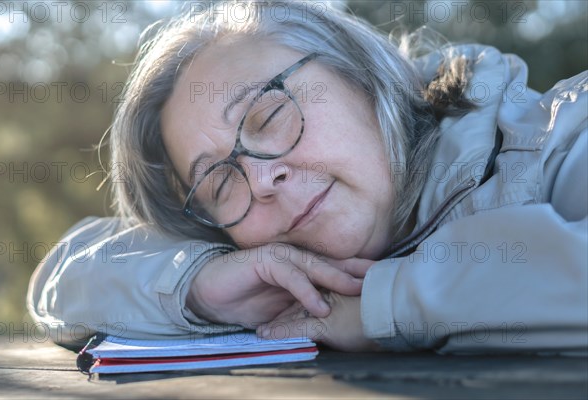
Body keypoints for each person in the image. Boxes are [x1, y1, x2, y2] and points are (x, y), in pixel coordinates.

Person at [28, 1, 587, 354]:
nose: (262, 179)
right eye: (220, 184)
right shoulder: (270, 261)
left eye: (268, 116)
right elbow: (67, 273)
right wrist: (199, 287)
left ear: (364, 76)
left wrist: (387, 306)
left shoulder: (564, 142)